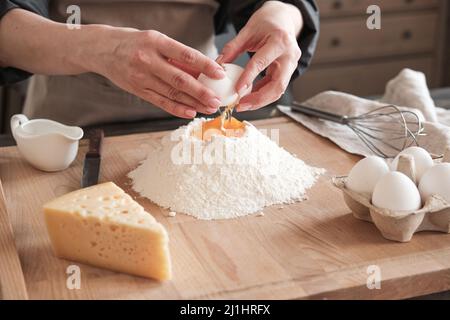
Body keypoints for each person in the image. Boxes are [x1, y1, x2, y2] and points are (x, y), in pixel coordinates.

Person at [0, 0, 319, 126]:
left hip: (194, 123)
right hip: (72, 128)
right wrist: (100, 50)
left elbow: (282, 3)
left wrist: (282, 14)